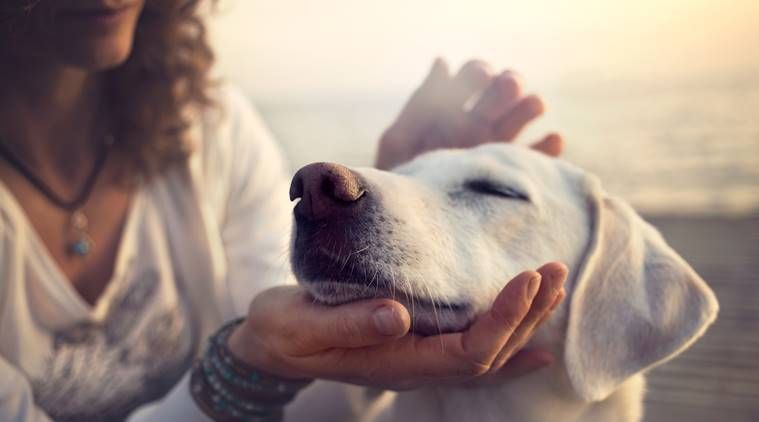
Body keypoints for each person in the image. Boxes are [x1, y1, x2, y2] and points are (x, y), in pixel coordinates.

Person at [0, 1, 568, 421]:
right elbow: (275, 355)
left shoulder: (206, 125)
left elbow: (308, 396)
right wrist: (247, 361)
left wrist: (402, 209)